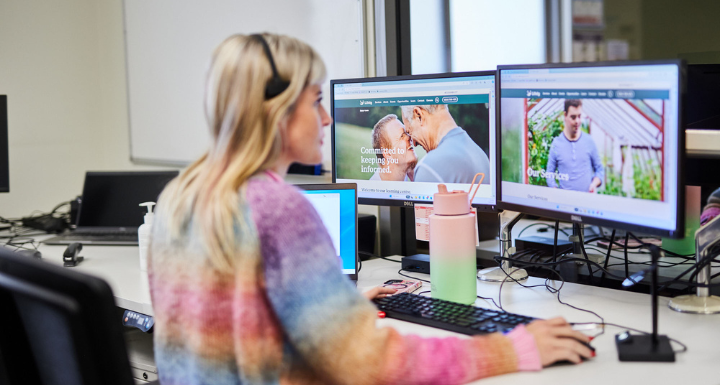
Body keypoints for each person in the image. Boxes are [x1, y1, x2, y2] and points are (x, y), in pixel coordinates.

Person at [148, 33, 592, 385]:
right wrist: (515, 349)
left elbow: (235, 327)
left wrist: (334, 307)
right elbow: (373, 364)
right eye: (316, 101)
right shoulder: (278, 208)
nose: (326, 119)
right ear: (277, 112)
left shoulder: (182, 196)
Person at [401, 104, 490, 184]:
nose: (414, 143)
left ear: (419, 116)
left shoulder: (430, 167)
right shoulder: (480, 156)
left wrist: (422, 173)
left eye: (410, 131)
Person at [545, 99, 605, 192]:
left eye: (579, 116)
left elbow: (600, 169)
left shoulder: (589, 141)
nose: (577, 121)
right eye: (573, 117)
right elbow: (549, 173)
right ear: (565, 115)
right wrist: (554, 190)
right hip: (563, 204)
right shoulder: (556, 144)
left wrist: (594, 184)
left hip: (586, 203)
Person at [369, 114, 417, 181]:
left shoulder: (408, 174)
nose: (409, 137)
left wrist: (415, 178)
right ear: (388, 153)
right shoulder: (373, 189)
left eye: (407, 133)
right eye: (402, 136)